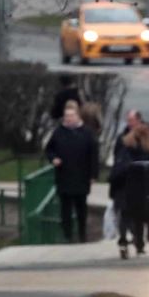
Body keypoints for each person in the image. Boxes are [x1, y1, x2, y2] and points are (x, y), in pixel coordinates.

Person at [44, 101, 99, 243]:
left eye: (71, 115)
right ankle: (67, 235)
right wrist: (53, 158)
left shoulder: (87, 133)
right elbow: (49, 149)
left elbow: (93, 155)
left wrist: (93, 175)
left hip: (82, 177)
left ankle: (82, 235)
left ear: (77, 116)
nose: (68, 118)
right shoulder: (59, 132)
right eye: (66, 116)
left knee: (81, 208)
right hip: (64, 176)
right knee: (65, 209)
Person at [116, 109, 149, 241]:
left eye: (132, 120)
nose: (129, 123)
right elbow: (119, 156)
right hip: (130, 178)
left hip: (147, 177)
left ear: (139, 120)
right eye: (128, 120)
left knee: (148, 203)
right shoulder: (124, 136)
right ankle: (137, 235)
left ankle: (148, 228)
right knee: (133, 208)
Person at [110, 123, 149, 257]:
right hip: (141, 189)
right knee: (139, 217)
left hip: (124, 187)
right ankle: (139, 245)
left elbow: (117, 168)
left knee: (124, 216)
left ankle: (123, 241)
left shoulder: (125, 148)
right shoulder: (148, 151)